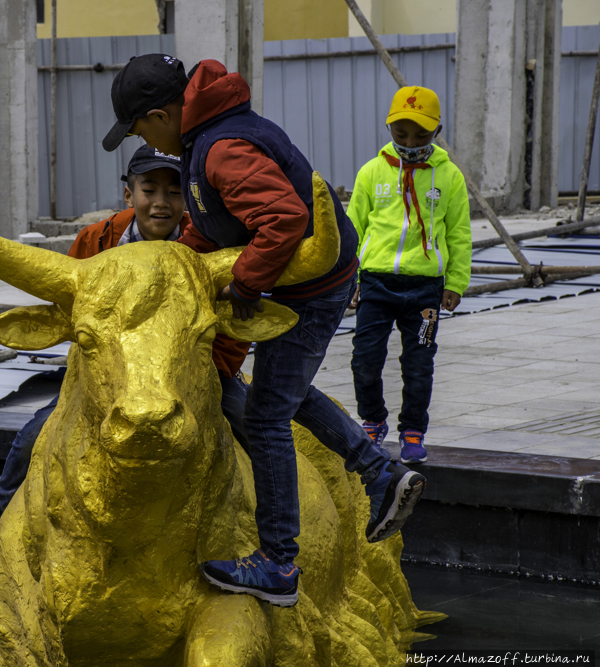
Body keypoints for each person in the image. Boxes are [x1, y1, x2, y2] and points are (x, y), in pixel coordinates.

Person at [101, 54, 426, 607]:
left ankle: (278, 563)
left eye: (141, 130)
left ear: (160, 116)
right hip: (307, 281)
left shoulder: (221, 148)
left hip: (312, 285)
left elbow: (281, 220)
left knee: (266, 414)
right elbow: (215, 226)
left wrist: (245, 287)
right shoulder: (209, 141)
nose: (147, 142)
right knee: (284, 393)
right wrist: (171, 272)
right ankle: (380, 474)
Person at [0, 145, 252, 571]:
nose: (161, 202)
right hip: (108, 378)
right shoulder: (96, 241)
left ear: (188, 198)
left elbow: (230, 316)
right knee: (35, 433)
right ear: (129, 195)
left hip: (191, 375)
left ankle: (272, 533)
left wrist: (212, 368)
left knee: (253, 426)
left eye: (173, 191)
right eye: (149, 189)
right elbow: (71, 314)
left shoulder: (205, 246)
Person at [347, 86, 472, 465]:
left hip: (424, 290)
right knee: (364, 359)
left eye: (420, 135)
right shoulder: (371, 172)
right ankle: (373, 420)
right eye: (401, 134)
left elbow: (459, 233)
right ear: (389, 128)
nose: (410, 142)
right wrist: (348, 278)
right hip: (375, 283)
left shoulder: (448, 177)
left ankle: (413, 429)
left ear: (437, 131)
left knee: (418, 365)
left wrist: (455, 282)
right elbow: (353, 227)